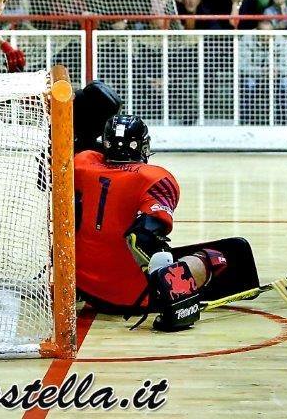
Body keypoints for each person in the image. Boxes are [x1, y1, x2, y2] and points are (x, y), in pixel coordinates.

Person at [75, 114, 242, 331]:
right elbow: (142, 238)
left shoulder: (82, 163)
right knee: (224, 254)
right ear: (141, 146)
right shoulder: (154, 177)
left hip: (83, 285)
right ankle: (179, 305)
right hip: (132, 297)